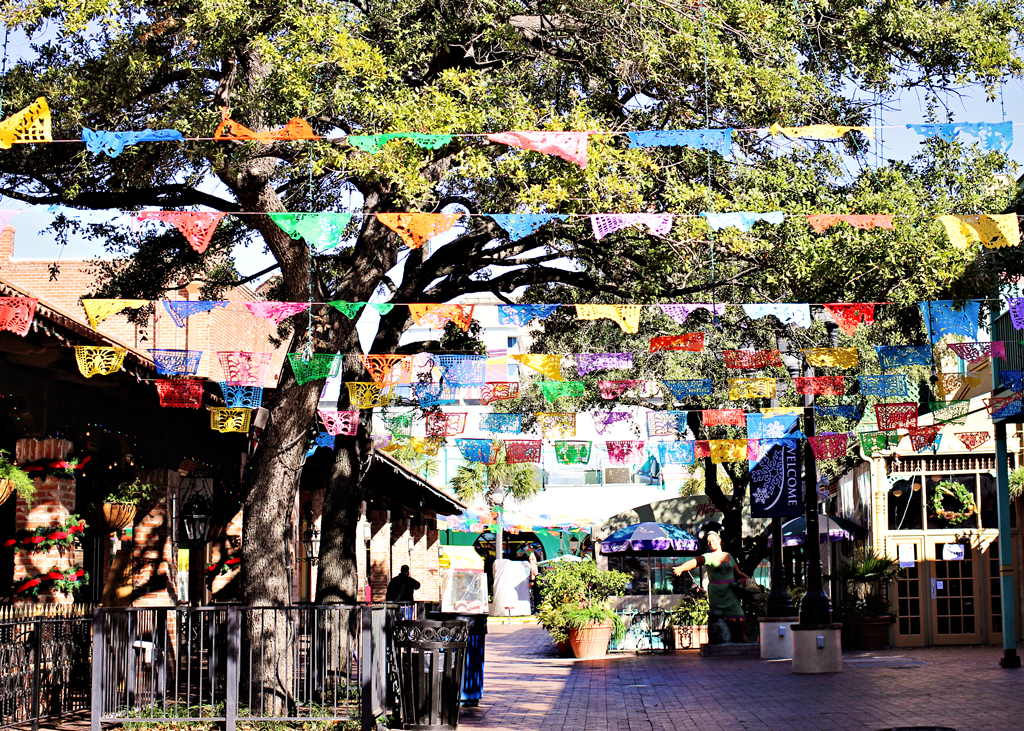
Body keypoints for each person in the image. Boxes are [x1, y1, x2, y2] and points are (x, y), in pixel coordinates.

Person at [673, 531, 752, 642]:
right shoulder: (708, 557)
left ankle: (743, 637)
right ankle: (719, 639)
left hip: (730, 590)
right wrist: (681, 568)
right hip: (716, 592)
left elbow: (738, 573)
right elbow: (695, 561)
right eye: (708, 542)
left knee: (739, 613)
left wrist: (751, 581)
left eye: (713, 541)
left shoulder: (728, 556)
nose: (711, 543)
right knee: (717, 616)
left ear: (719, 541)